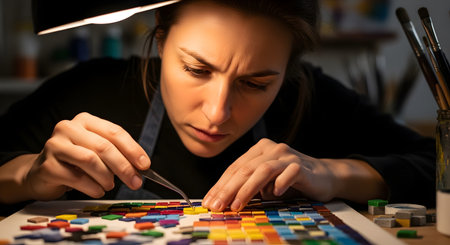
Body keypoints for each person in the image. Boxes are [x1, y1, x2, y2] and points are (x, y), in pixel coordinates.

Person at [0, 0, 435, 215]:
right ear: (161, 37)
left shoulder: (312, 98)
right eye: (195, 69)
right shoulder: (91, 87)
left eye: (255, 83)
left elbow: (435, 164)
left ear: (289, 71)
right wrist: (27, 174)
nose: (217, 113)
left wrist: (332, 173)